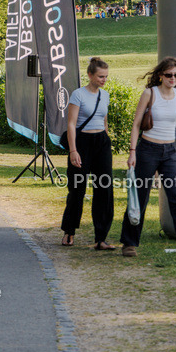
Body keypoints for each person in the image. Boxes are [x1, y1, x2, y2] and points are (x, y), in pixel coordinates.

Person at [120, 57, 176, 262]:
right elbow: (135, 125)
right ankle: (129, 243)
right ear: (160, 75)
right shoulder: (149, 93)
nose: (173, 79)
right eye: (168, 75)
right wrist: (132, 151)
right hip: (147, 149)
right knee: (140, 197)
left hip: (169, 151)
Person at [60, 57, 115, 250]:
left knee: (104, 189)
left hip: (101, 143)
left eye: (106, 76)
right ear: (90, 75)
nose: (103, 80)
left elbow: (104, 121)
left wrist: (107, 144)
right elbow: (71, 124)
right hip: (82, 142)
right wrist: (73, 150)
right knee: (77, 189)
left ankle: (101, 238)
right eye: (100, 76)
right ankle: (69, 231)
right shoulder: (78, 95)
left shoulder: (105, 95)